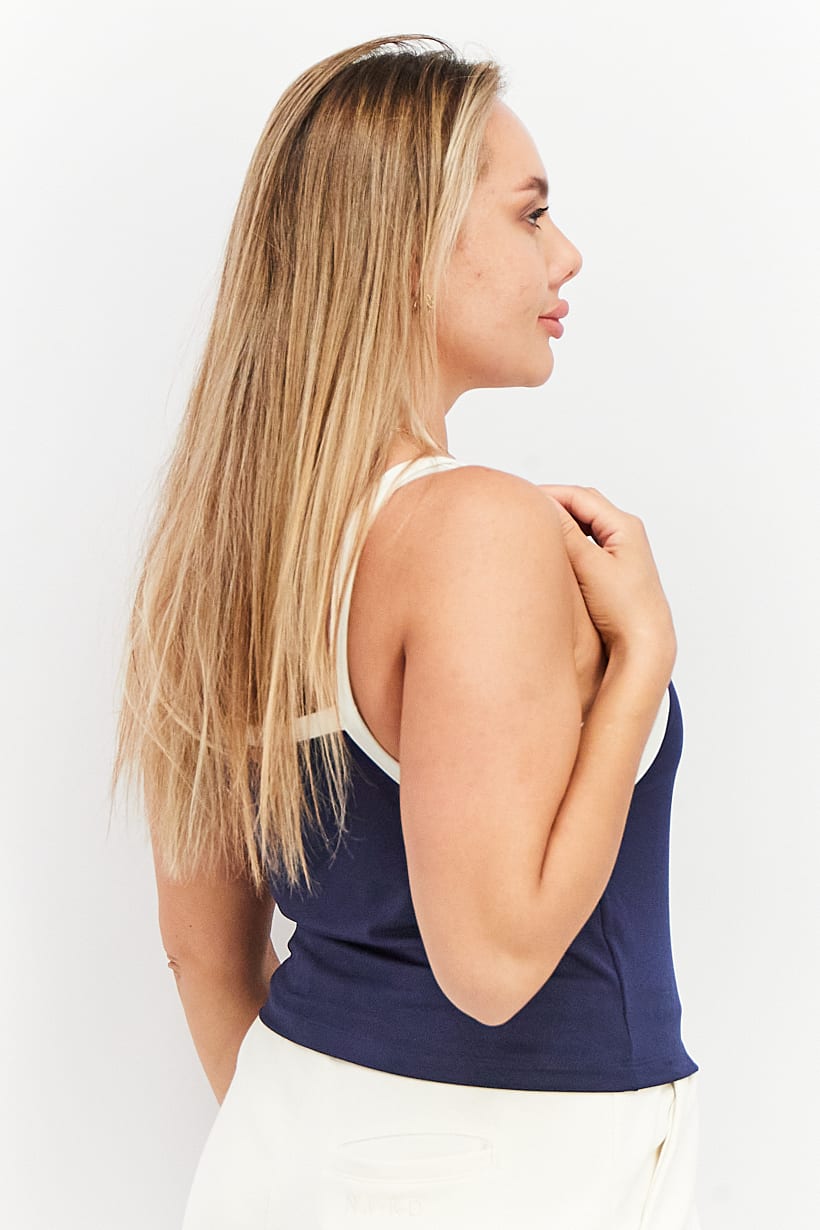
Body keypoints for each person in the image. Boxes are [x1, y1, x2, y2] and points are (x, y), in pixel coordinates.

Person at [111, 33, 701, 1229]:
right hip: (515, 1167)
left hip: (285, 1138)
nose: (565, 253)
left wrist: (323, 1154)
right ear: (408, 243)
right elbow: (494, 969)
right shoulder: (473, 527)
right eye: (530, 214)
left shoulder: (230, 547)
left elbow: (202, 953)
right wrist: (642, 657)